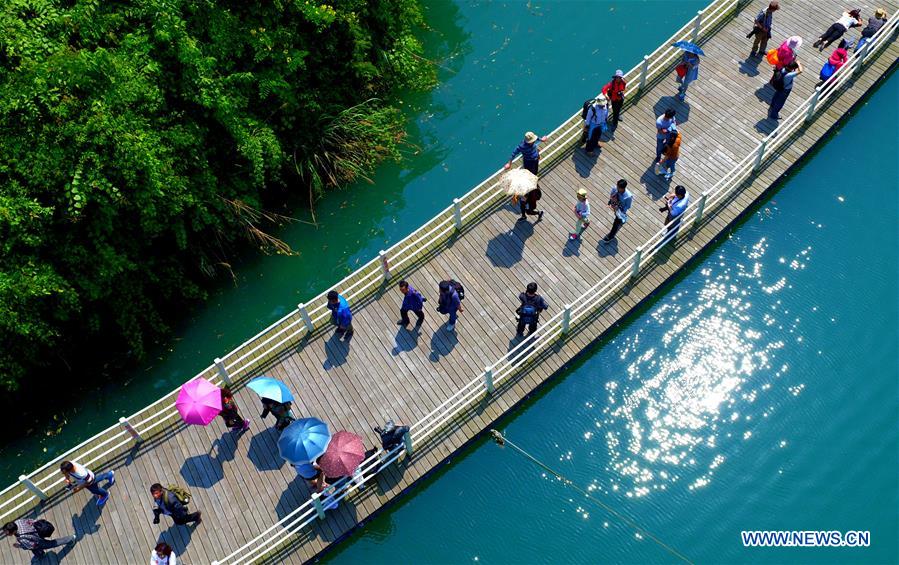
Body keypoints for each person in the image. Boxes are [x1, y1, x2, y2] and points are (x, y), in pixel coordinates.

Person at [4, 519, 76, 559]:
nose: (6, 534)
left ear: (14, 531)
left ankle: (70, 539)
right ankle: (40, 554)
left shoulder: (22, 538)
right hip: (38, 529)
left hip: (37, 540)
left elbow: (31, 546)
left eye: (7, 533)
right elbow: (30, 521)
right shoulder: (18, 522)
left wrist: (19, 546)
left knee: (52, 544)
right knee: (38, 549)